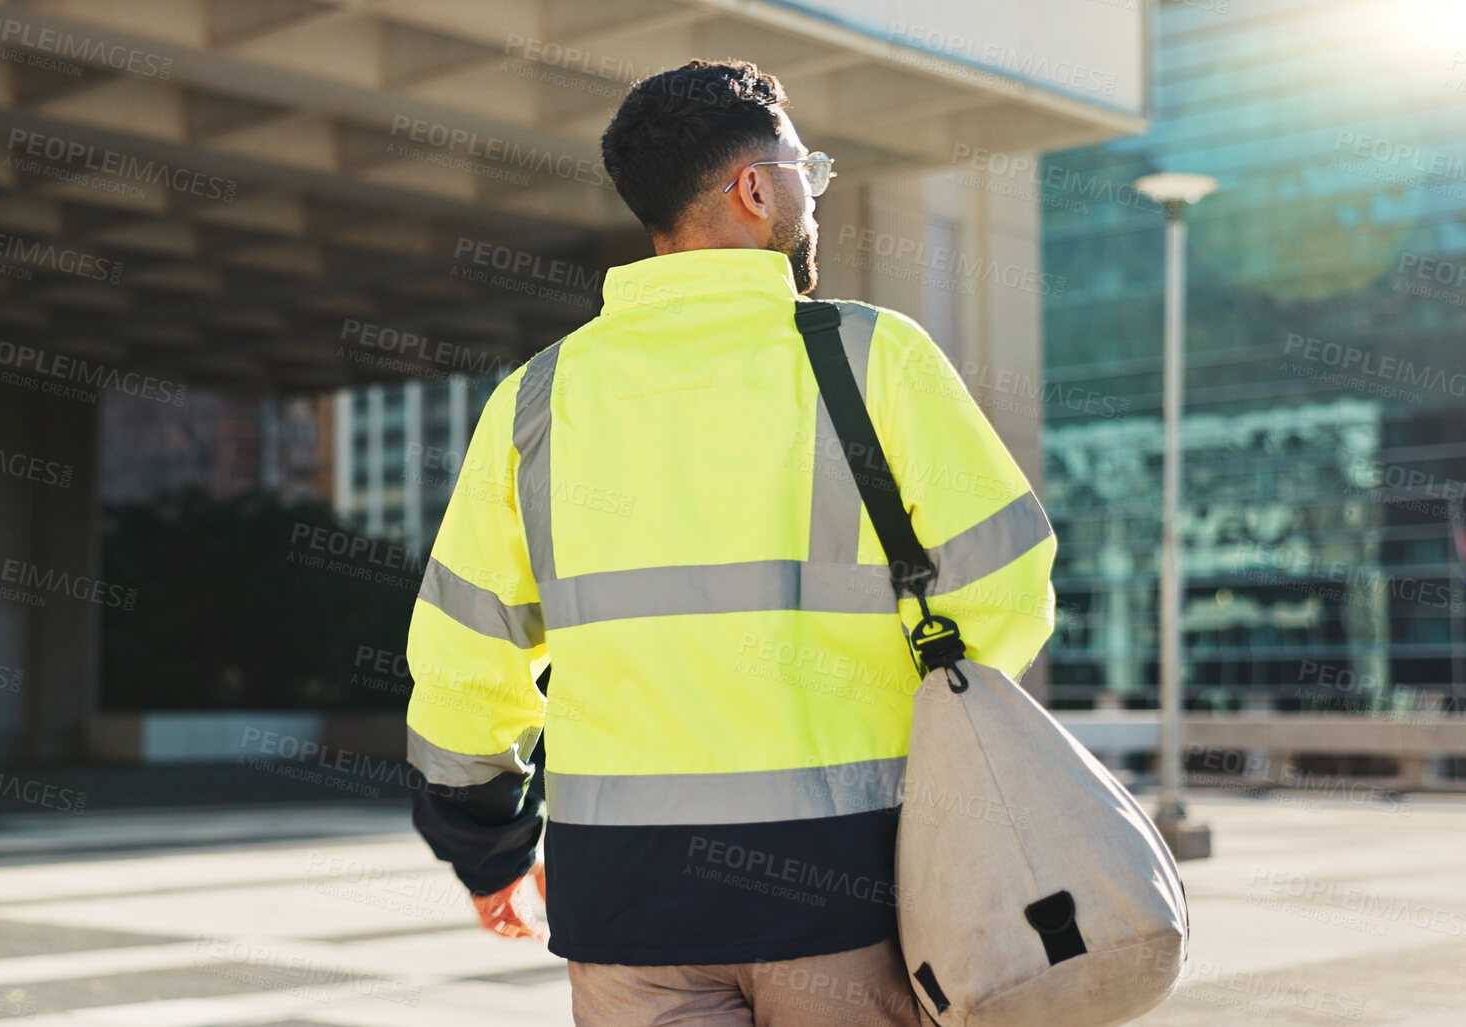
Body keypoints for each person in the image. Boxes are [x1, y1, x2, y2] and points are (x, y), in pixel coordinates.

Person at [403, 59, 1056, 1026]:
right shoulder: (871, 355)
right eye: (806, 166)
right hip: (850, 888)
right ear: (755, 188)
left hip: (623, 905)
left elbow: (465, 661)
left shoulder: (536, 400)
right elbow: (1006, 589)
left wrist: (487, 854)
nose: (813, 186)